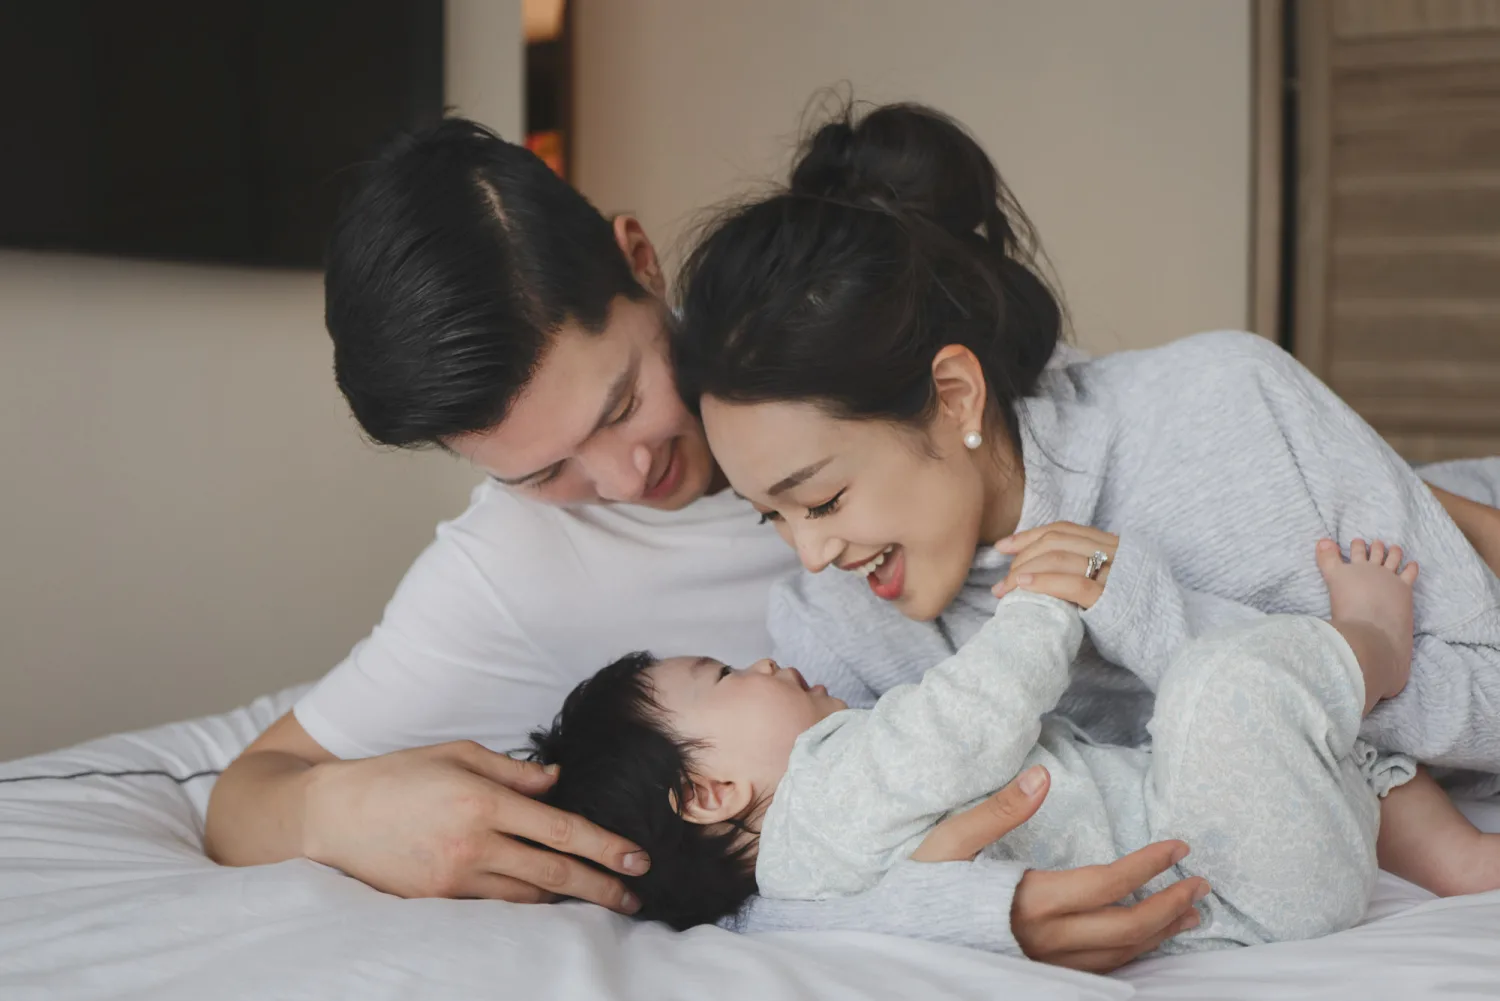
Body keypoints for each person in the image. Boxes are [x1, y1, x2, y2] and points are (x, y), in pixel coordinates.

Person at [204, 112, 1500, 970]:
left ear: (642, 265)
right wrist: (339, 806)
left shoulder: (838, 335)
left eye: (619, 404)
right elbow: (248, 788)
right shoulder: (548, 576)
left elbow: (1122, 447)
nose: (626, 475)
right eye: (548, 472)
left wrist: (1393, 551)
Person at [670, 101, 1500, 910]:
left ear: (955, 395)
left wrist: (1162, 621)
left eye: (822, 499)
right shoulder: (832, 632)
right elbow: (804, 873)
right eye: (770, 514)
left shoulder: (1222, 407)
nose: (811, 554)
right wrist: (996, 918)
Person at [530, 539, 1426, 955]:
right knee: (1219, 681)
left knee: (1211, 724)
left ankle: (1435, 835)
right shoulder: (834, 788)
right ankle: (1376, 642)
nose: (762, 661)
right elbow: (971, 717)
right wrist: (1040, 604)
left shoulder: (801, 888)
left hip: (1230, 886)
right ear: (709, 792)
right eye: (724, 674)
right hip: (1232, 870)